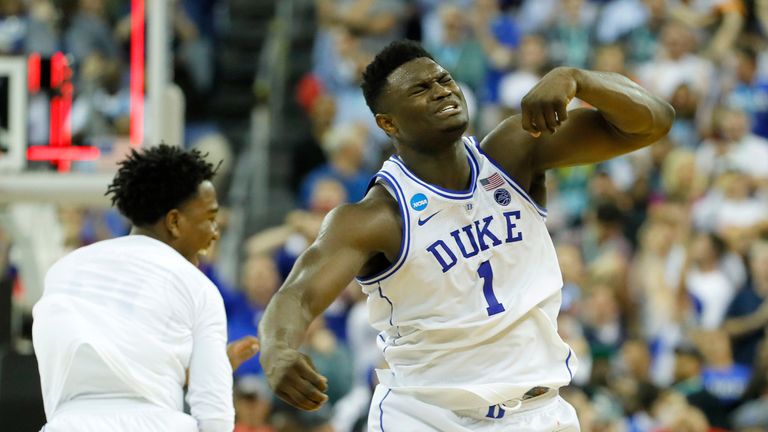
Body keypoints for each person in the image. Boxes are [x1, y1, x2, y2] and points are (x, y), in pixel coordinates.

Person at [259, 40, 674, 431]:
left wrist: (579, 79)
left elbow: (652, 122)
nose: (441, 91)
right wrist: (277, 349)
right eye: (421, 89)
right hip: (427, 416)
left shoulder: (513, 152)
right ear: (388, 122)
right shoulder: (375, 216)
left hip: (537, 411)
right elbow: (297, 295)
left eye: (443, 79)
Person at [32, 144, 259, 432]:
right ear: (174, 222)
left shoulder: (62, 271)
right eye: (210, 219)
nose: (215, 233)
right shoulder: (197, 286)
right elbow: (214, 416)